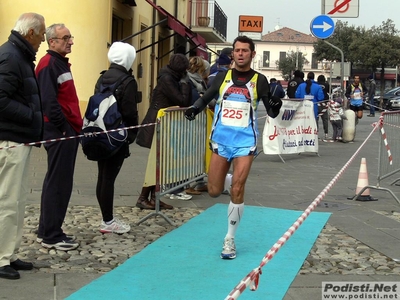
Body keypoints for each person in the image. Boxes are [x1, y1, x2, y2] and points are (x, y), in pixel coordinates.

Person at [184, 35, 282, 259]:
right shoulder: (222, 77)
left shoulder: (260, 80)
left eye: (244, 51)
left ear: (252, 54)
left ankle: (229, 239)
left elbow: (272, 111)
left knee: (238, 189)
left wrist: (277, 104)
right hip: (221, 141)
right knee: (213, 191)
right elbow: (207, 97)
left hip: (245, 143)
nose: (239, 54)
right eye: (236, 50)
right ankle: (229, 179)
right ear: (233, 54)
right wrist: (194, 109)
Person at [0, 12, 46, 280]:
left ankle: (10, 253)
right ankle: (2, 257)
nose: (42, 40)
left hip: (19, 138)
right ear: (30, 33)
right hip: (10, 139)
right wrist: (31, 114)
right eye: (41, 35)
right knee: (7, 200)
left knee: (16, 201)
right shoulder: (11, 56)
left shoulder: (19, 55)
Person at [35, 23, 82, 251]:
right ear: (52, 41)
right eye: (65, 38)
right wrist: (65, 129)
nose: (70, 41)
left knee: (56, 181)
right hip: (60, 132)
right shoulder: (49, 64)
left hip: (64, 130)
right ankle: (51, 235)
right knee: (59, 183)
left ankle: (46, 230)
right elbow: (49, 101)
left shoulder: (57, 63)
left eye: (69, 37)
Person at [135, 53, 192, 209]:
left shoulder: (168, 76)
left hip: (163, 123)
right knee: (156, 163)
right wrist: (185, 84)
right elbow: (182, 101)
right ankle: (142, 198)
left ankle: (154, 197)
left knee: (159, 163)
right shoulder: (168, 79)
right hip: (157, 123)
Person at [94, 42, 139, 234]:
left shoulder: (102, 77)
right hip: (118, 134)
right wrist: (131, 134)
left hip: (100, 132)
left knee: (102, 175)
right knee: (109, 178)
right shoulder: (127, 81)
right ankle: (108, 221)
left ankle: (106, 217)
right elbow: (129, 111)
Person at [317, 75, 330, 139]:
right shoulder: (326, 84)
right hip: (324, 103)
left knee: (316, 118)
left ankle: (316, 132)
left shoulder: (316, 84)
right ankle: (326, 133)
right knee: (325, 119)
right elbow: (330, 91)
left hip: (317, 103)